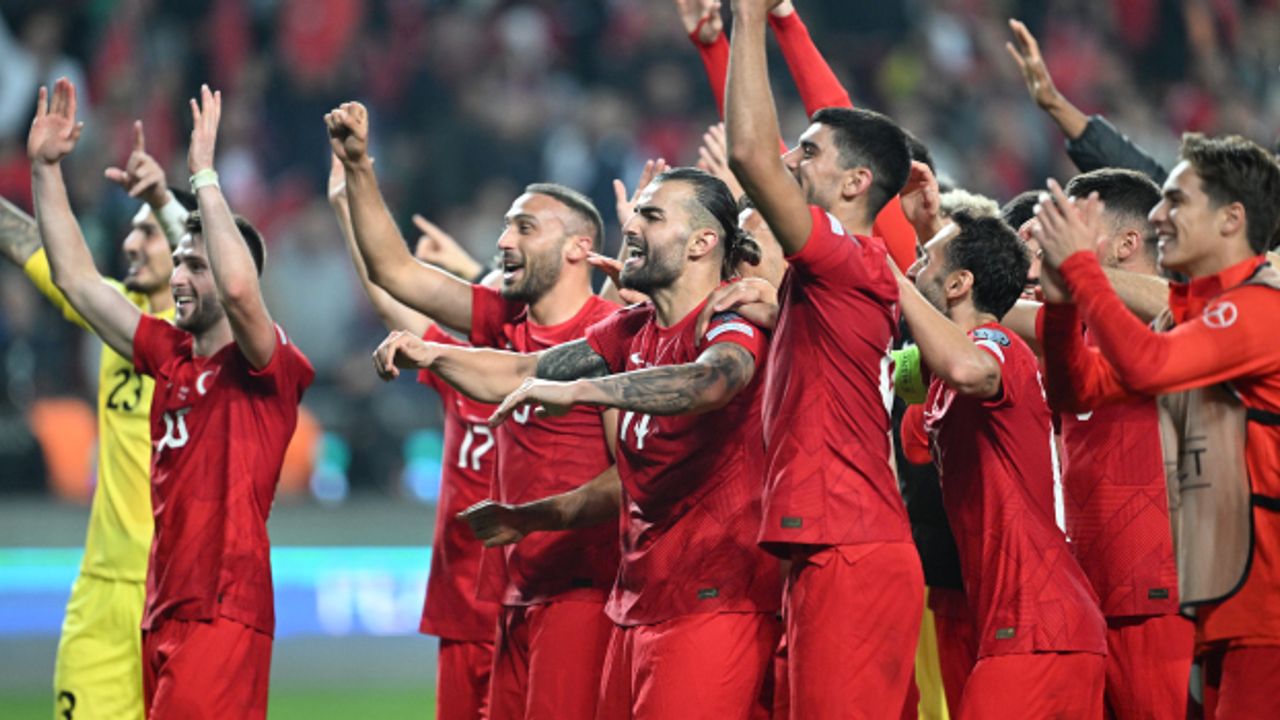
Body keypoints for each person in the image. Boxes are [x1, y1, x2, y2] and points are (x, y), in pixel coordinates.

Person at [386, 167, 781, 719]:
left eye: (651, 215)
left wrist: (582, 390)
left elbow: (712, 381)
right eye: (636, 214)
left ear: (702, 243)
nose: (631, 227)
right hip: (640, 600)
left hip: (716, 599)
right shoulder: (631, 330)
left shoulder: (731, 318)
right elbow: (523, 370)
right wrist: (435, 356)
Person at [326, 100, 619, 720]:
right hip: (512, 586)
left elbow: (632, 476)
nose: (504, 240)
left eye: (525, 228)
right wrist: (359, 167)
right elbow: (396, 273)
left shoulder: (614, 334)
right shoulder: (502, 320)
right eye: (506, 227)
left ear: (579, 248)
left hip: (583, 589)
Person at [30, 78, 313, 718]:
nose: (179, 276)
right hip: (161, 608)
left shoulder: (268, 368)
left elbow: (239, 293)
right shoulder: (168, 355)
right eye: (179, 262)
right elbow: (76, 279)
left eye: (195, 265)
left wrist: (204, 177)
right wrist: (45, 171)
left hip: (224, 610)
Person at [1034, 132, 1280, 719]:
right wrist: (1062, 305)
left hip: (1267, 612)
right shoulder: (1191, 319)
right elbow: (1078, 390)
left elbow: (1146, 366)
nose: (1158, 216)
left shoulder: (1262, 307)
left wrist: (1082, 269)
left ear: (1231, 218)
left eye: (1176, 200)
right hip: (1224, 607)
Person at [723, 0, 923, 715]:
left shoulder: (847, 257)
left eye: (808, 152)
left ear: (855, 183)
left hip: (850, 543)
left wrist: (748, 19)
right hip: (837, 542)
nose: (789, 160)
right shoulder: (829, 280)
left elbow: (749, 155)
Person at [1, 120, 188, 720]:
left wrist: (168, 202)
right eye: (130, 231)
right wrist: (45, 169)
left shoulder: (216, 343)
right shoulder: (115, 317)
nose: (130, 244)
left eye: (148, 232)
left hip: (183, 597)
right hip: (104, 593)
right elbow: (39, 250)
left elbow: (230, 282)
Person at [900, 208, 1107, 717]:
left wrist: (884, 275)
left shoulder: (996, 345)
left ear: (959, 284)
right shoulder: (945, 374)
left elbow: (977, 372)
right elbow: (914, 444)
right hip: (1026, 625)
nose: (911, 270)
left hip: (1036, 624)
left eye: (925, 260)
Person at [327, 156, 500, 720]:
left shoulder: (558, 370)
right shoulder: (456, 369)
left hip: (529, 600)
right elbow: (388, 300)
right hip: (463, 601)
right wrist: (347, 209)